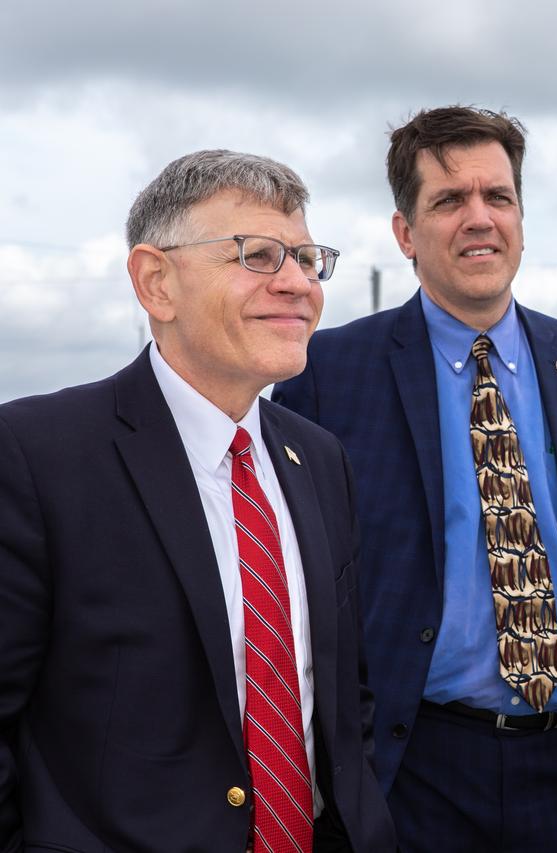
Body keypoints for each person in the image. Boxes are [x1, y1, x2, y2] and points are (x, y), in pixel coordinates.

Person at [273, 106, 557, 853]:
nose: (479, 219)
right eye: (449, 200)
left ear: (522, 219)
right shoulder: (330, 371)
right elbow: (299, 596)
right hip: (412, 772)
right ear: (405, 233)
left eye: (497, 198)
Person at [0, 150, 396, 852]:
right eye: (259, 255)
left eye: (309, 258)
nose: (299, 283)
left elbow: (339, 699)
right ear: (157, 282)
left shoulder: (321, 459)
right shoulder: (35, 455)